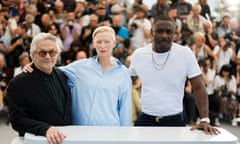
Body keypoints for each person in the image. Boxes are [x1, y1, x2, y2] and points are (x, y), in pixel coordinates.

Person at [23, 26, 132, 126]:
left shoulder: (123, 73)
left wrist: (124, 137)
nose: (102, 46)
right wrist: (33, 66)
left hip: (111, 131)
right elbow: (50, 70)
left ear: (114, 43)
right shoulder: (79, 67)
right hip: (80, 130)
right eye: (99, 42)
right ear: (94, 44)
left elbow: (125, 109)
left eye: (107, 42)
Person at [129, 15, 219, 134]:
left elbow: (198, 87)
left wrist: (204, 119)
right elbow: (126, 83)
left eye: (168, 32)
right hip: (146, 119)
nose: (164, 35)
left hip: (174, 120)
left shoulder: (185, 54)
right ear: (152, 32)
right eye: (160, 31)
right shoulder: (139, 54)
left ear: (174, 34)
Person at [6, 33, 72, 144]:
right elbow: (17, 120)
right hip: (39, 141)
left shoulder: (63, 75)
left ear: (57, 54)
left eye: (52, 52)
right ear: (32, 55)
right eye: (42, 53)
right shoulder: (18, 83)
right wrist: (45, 129)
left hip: (66, 139)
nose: (47, 56)